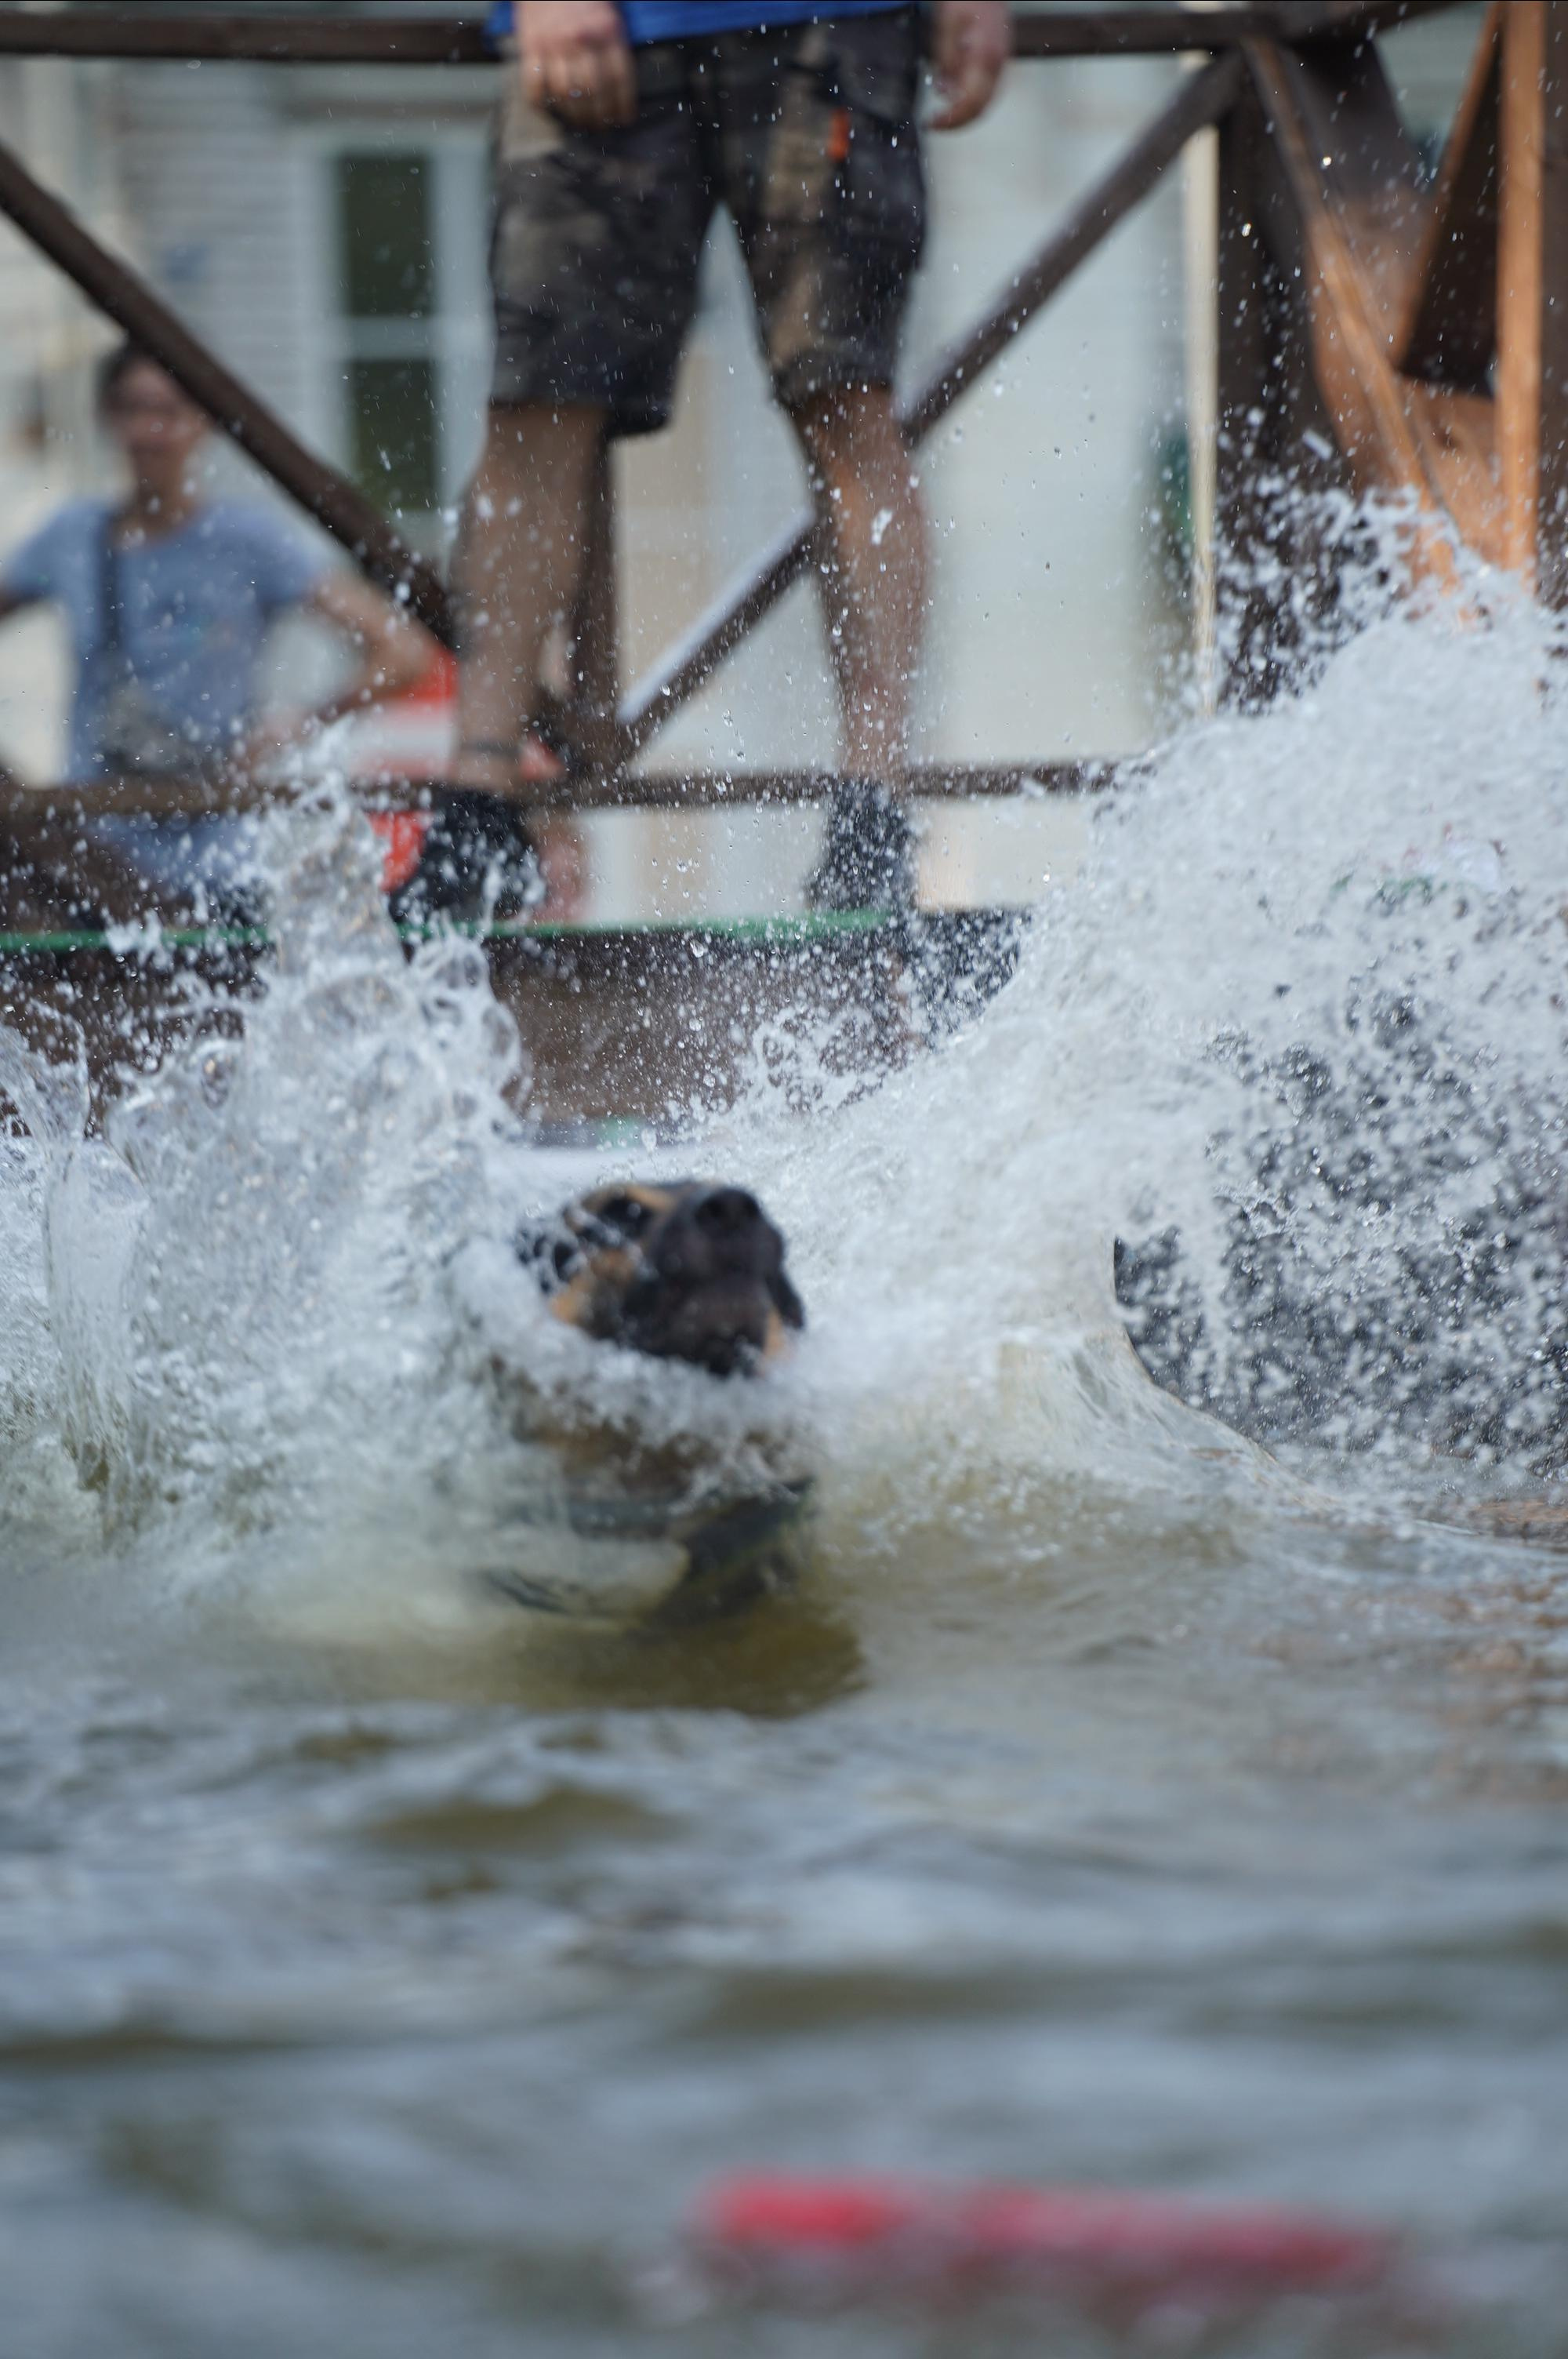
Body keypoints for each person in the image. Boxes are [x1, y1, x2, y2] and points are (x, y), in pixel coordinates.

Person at [456, 0, 1010, 909]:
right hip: (602, 27)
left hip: (835, 21)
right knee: (533, 410)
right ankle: (473, 811)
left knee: (848, 404)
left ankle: (872, 813)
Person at [0, 341, 435, 899]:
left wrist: (303, 721)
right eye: (135, 409)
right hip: (95, 859)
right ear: (108, 417)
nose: (151, 431)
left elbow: (403, 652)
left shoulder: (249, 542)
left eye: (169, 411)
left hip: (216, 858)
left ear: (203, 421)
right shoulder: (70, 537)